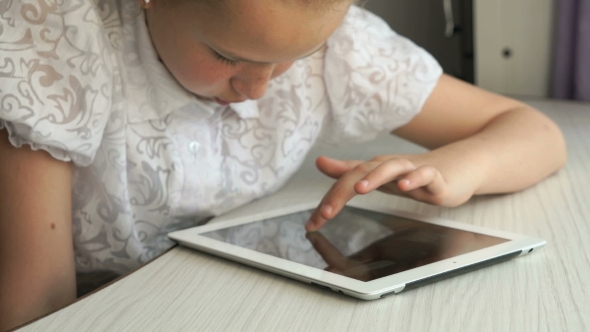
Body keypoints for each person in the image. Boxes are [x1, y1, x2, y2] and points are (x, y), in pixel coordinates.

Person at [0, 0, 566, 329]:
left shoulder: (340, 48)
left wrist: (454, 169)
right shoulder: (60, 43)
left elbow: (535, 133)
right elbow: (35, 311)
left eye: (294, 60)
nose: (256, 88)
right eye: (227, 57)